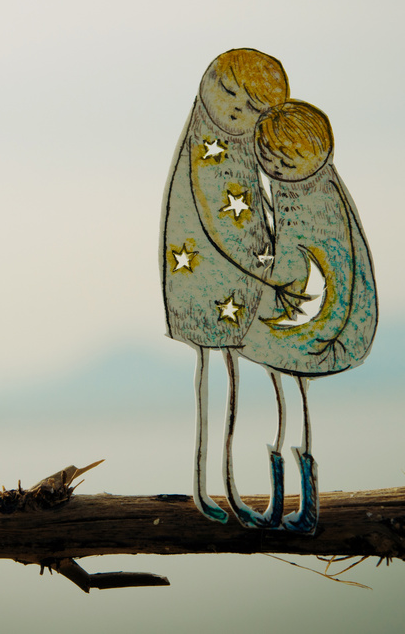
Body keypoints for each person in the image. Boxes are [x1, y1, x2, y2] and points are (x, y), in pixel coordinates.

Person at [160, 48, 302, 528]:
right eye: (227, 93)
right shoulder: (207, 149)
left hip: (232, 284)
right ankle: (214, 489)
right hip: (211, 284)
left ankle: (226, 487)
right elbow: (223, 219)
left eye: (254, 108)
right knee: (218, 378)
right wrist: (268, 265)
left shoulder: (236, 146)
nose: (236, 110)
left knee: (226, 379)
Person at [240, 99, 378, 532]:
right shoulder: (307, 190)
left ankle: (302, 507)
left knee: (291, 406)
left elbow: (306, 265)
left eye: (281, 157)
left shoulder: (312, 202)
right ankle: (286, 505)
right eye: (267, 158)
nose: (273, 166)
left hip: (310, 325)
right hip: (305, 322)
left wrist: (255, 271)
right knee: (288, 406)